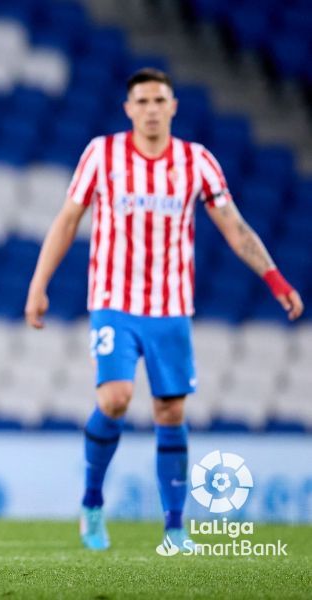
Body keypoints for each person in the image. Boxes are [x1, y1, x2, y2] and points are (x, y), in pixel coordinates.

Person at [24, 68, 304, 551]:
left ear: (173, 107)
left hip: (171, 307)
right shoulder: (102, 155)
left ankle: (174, 529)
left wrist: (274, 278)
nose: (151, 109)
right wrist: (38, 284)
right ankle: (92, 502)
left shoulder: (198, 162)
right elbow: (68, 220)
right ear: (128, 109)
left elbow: (234, 226)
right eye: (142, 101)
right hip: (113, 301)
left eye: (159, 100)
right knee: (115, 398)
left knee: (170, 410)